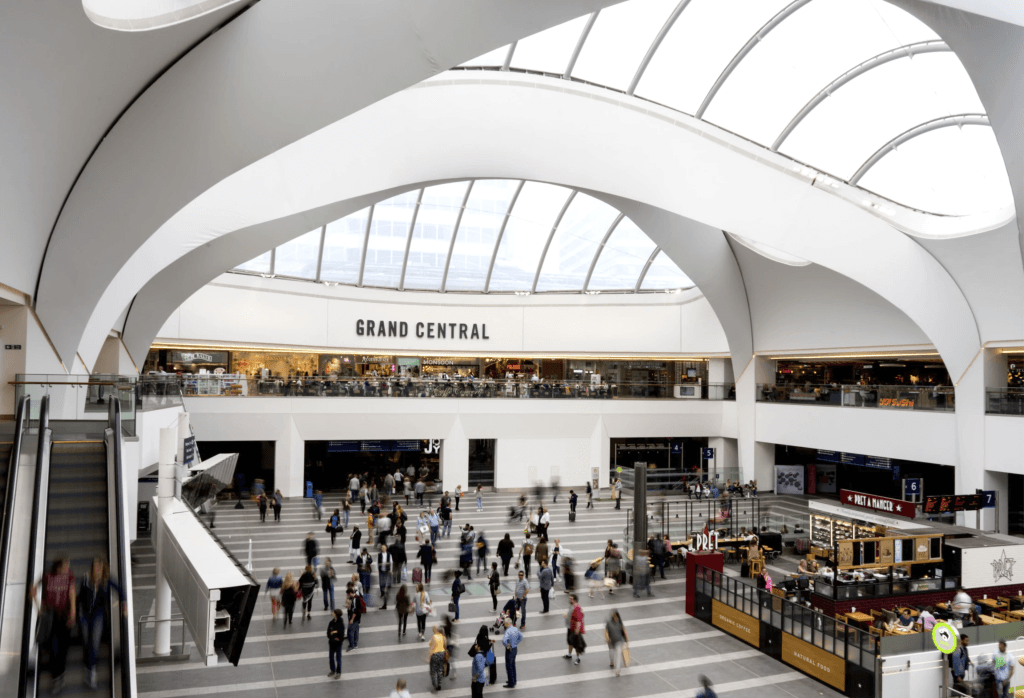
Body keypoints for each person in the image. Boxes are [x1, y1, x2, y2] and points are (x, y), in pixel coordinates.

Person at [78, 557, 122, 689]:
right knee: (87, 642)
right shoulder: (86, 579)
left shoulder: (106, 581)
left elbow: (121, 591)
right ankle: (89, 669)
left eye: (100, 567)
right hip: (85, 615)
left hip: (98, 615)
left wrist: (123, 604)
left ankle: (91, 673)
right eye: (95, 566)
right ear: (92, 567)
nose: (97, 569)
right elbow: (80, 598)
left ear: (103, 569)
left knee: (94, 642)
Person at [33, 559, 75, 692]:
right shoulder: (47, 576)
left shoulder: (70, 576)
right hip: (51, 617)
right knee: (54, 649)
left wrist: (73, 612)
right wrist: (38, 608)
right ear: (58, 567)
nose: (68, 569)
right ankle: (56, 679)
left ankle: (59, 679)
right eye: (65, 566)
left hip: (64, 617)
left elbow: (72, 594)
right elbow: (33, 589)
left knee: (63, 649)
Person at [564, 593, 586, 665]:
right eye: (569, 598)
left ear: (575, 600)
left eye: (571, 599)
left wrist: (577, 629)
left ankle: (578, 658)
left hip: (575, 629)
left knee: (576, 644)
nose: (569, 600)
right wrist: (566, 614)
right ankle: (569, 654)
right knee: (570, 641)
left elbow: (579, 619)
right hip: (570, 627)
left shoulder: (577, 608)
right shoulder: (572, 606)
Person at [502, 618, 523, 688]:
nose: (504, 625)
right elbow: (521, 637)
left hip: (509, 650)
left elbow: (504, 640)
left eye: (504, 623)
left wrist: (507, 645)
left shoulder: (507, 631)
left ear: (507, 623)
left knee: (509, 666)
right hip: (515, 649)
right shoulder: (515, 629)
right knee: (513, 664)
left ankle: (511, 683)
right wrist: (515, 643)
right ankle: (514, 680)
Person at [605, 609, 628, 677]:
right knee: (611, 653)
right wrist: (607, 638)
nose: (615, 617)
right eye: (613, 616)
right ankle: (611, 661)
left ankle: (617, 670)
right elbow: (606, 631)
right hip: (611, 642)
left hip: (618, 642)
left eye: (616, 616)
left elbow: (624, 631)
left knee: (618, 655)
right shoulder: (609, 623)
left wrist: (627, 639)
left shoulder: (620, 623)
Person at [327, 608, 345, 678]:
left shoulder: (340, 623)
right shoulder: (331, 622)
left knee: (338, 658)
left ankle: (338, 672)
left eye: (333, 612)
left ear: (336, 614)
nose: (332, 613)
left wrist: (339, 639)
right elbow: (328, 632)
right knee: (331, 658)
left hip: (338, 644)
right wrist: (331, 635)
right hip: (331, 643)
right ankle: (332, 670)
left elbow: (341, 633)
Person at [428, 626, 447, 691]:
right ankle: (439, 685)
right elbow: (445, 647)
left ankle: (435, 685)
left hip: (435, 655)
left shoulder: (434, 637)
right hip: (442, 654)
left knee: (433, 671)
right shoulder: (444, 637)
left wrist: (428, 656)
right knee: (440, 670)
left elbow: (430, 645)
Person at [379, 544, 394, 610]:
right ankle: (383, 592)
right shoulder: (379, 555)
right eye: (382, 547)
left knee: (385, 586)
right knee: (382, 583)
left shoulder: (389, 555)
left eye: (384, 547)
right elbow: (377, 562)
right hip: (382, 571)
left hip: (387, 571)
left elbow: (391, 562)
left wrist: (390, 570)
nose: (383, 548)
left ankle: (385, 602)